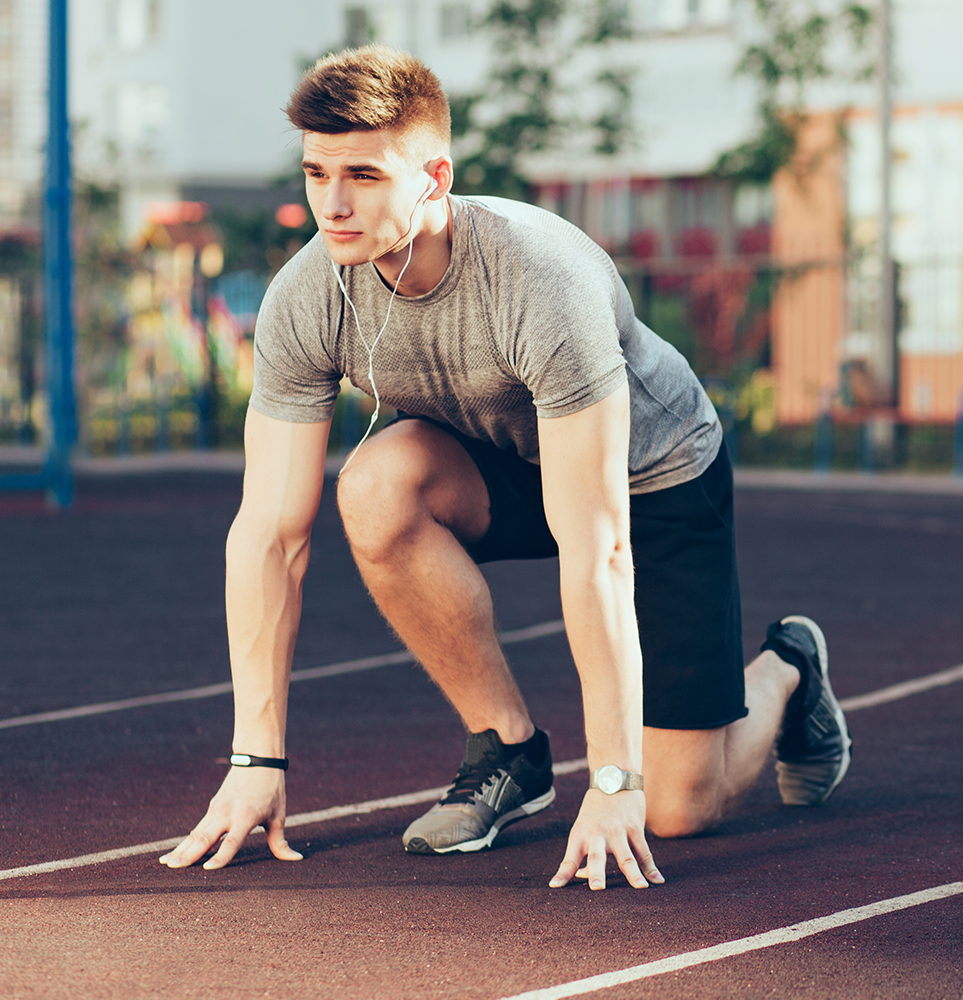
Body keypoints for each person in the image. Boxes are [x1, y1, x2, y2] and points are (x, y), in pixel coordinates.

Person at [159, 45, 851, 889]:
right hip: (498, 456)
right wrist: (255, 757)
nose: (332, 204)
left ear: (434, 178)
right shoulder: (307, 299)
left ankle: (789, 667)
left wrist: (612, 779)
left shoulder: (537, 280)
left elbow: (597, 548)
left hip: (651, 473)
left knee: (675, 808)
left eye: (366, 176)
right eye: (316, 172)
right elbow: (269, 534)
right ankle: (509, 751)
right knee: (372, 486)